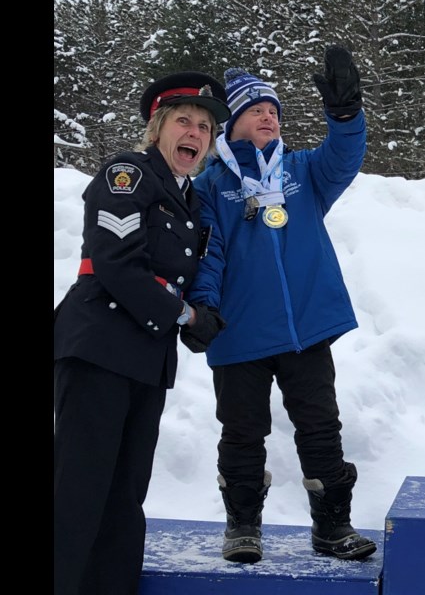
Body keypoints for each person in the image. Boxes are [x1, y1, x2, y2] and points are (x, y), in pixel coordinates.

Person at [184, 45, 376, 563]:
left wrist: (344, 115)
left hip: (306, 332)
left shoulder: (304, 171)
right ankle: (243, 526)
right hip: (239, 334)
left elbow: (345, 154)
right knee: (242, 433)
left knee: (321, 429)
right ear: (231, 124)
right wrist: (202, 308)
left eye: (273, 109)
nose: (267, 115)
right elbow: (207, 255)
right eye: (254, 109)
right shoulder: (211, 185)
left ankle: (332, 527)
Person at [53, 72, 231, 594]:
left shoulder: (192, 202)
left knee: (125, 495)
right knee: (78, 491)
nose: (195, 133)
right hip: (98, 348)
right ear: (157, 129)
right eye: (183, 121)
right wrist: (186, 318)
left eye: (204, 126)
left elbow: (192, 276)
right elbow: (116, 264)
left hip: (146, 362)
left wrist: (204, 315)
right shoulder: (127, 175)